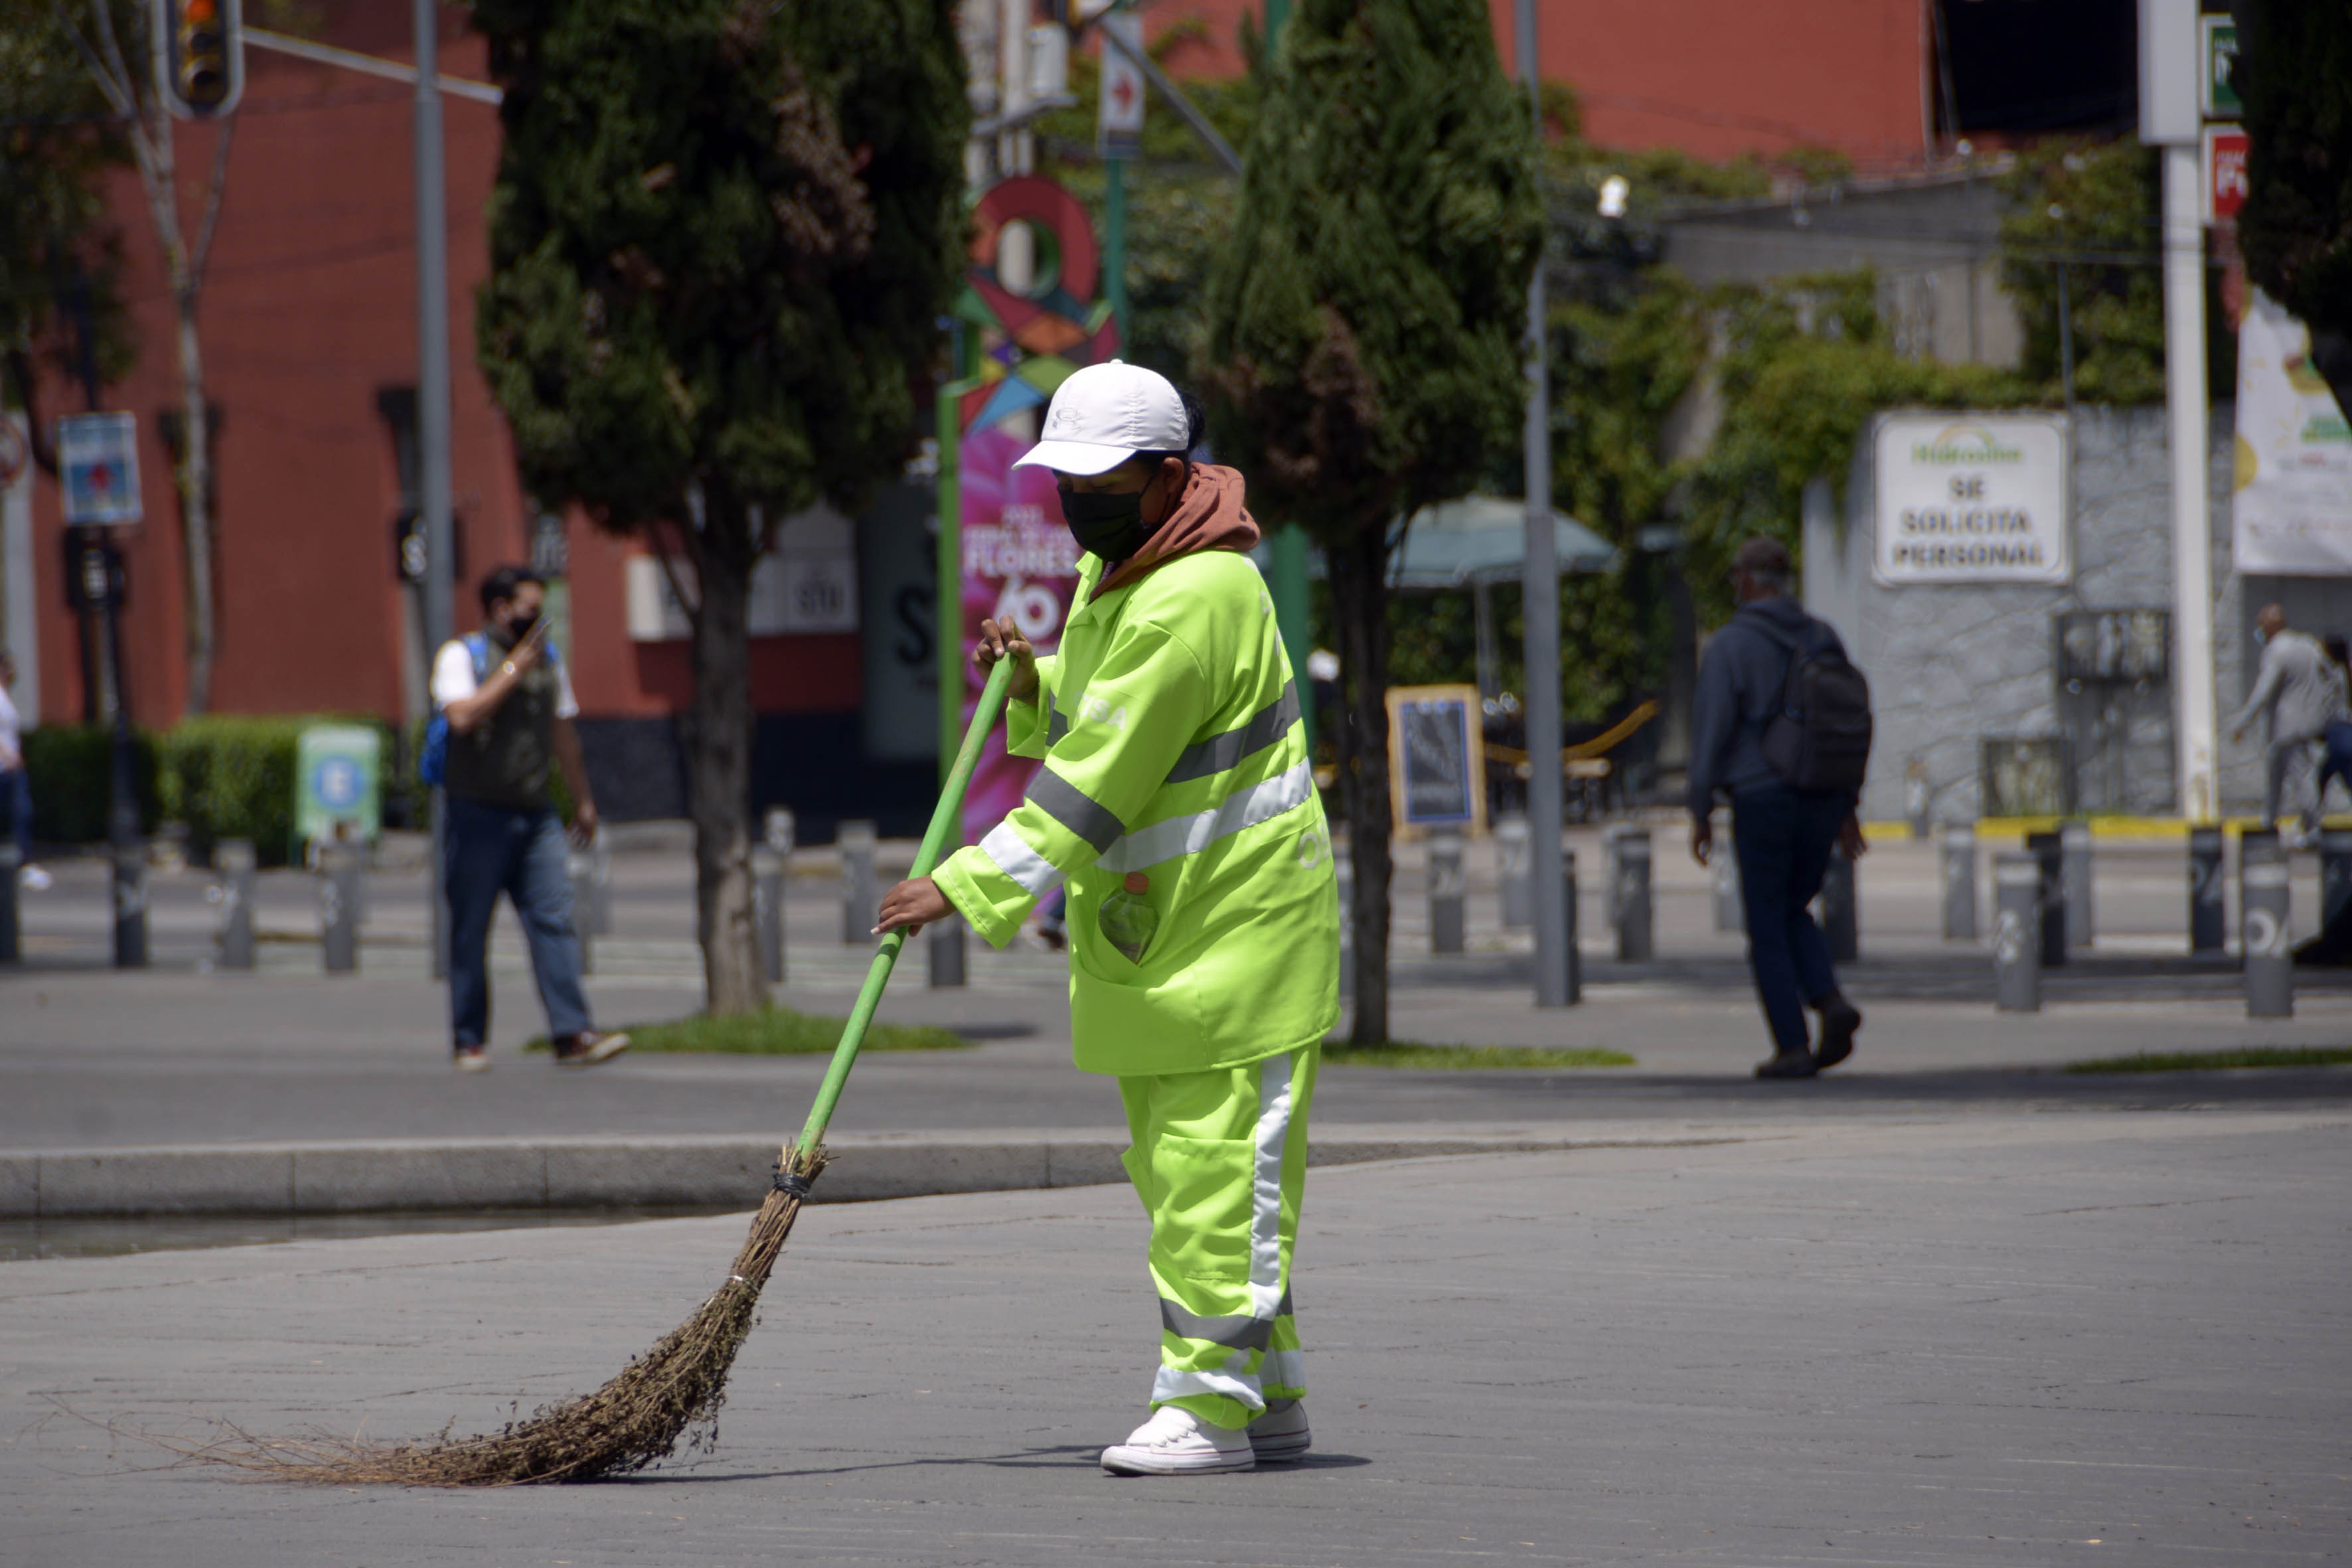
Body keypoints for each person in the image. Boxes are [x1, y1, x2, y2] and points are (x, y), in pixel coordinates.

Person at [873, 361, 1338, 1476]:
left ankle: (1206, 1406)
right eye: (1062, 479)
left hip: (1237, 940)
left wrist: (964, 883)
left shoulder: (1194, 595)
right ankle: (1262, 1395)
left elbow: (1095, 780)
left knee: (1215, 1177)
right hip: (1169, 939)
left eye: (1096, 479)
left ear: (1169, 475)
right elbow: (1093, 723)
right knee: (1185, 1174)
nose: (1072, 500)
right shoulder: (1124, 574)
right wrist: (1030, 683)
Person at [1686, 536, 1867, 1080]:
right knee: (1795, 908)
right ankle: (1829, 998)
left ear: (1745, 579)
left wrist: (1699, 809)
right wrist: (1846, 806)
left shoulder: (1730, 646)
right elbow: (1847, 724)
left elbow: (1711, 732)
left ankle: (1791, 1046)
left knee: (1766, 923)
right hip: (1821, 796)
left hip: (1761, 798)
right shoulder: (1822, 636)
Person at [433, 566, 627, 1072]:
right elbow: (461, 716)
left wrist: (582, 800)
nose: (538, 617)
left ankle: (572, 1033)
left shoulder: (549, 661)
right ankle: (469, 1039)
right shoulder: (463, 656)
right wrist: (514, 669)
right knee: (471, 929)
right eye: (528, 607)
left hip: (535, 812)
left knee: (554, 919)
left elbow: (563, 733)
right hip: (475, 811)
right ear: (500, 609)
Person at [2229, 603, 2345, 845]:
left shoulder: (2277, 651)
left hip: (2287, 725)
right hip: (2306, 724)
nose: (2259, 630)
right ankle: (2269, 822)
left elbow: (2263, 691)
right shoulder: (2307, 644)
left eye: (2261, 625)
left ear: (2271, 627)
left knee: (2301, 776)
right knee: (2276, 772)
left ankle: (2313, 826)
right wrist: (2329, 709)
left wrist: (2242, 723)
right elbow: (2334, 675)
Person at [0, 650, 44, 890]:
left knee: (21, 812)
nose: (13, 672)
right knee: (19, 812)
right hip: (5, 767)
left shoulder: (6, 696)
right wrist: (6, 753)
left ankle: (22, 861)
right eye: (9, 667)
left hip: (11, 770)